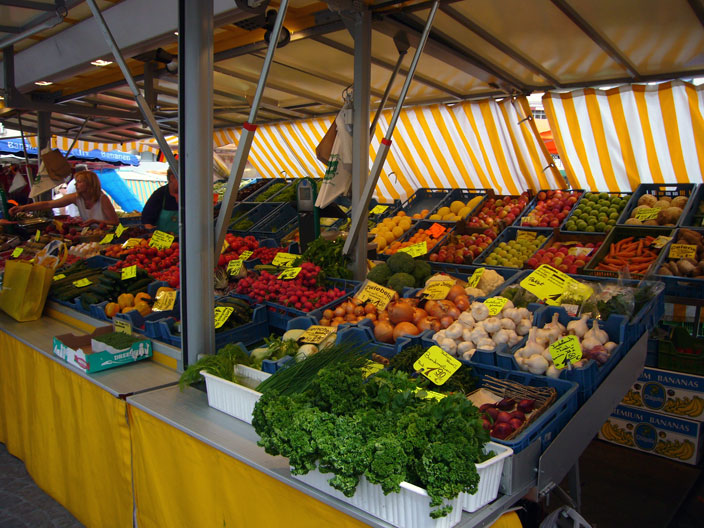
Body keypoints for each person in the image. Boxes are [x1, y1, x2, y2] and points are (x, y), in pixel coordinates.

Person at [9, 170, 119, 225]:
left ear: (89, 183)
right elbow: (48, 204)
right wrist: (23, 208)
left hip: (107, 236)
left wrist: (95, 221)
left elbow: (115, 222)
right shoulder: (76, 197)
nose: (75, 184)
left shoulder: (102, 199)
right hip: (89, 235)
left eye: (79, 182)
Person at [141, 168, 178, 232]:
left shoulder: (190, 195)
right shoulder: (160, 194)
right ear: (172, 178)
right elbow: (147, 221)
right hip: (162, 237)